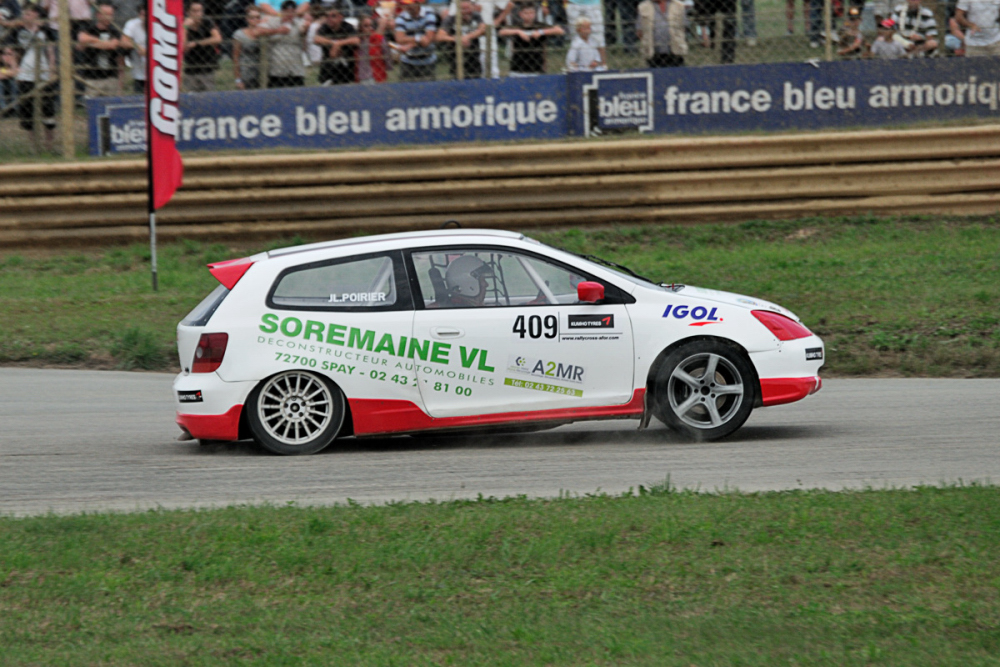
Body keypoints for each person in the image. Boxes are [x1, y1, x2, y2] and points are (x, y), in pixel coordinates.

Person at [11, 5, 56, 149]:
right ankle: (33, 145)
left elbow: (50, 51)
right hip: (25, 74)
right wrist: (15, 68)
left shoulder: (45, 30)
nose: (25, 16)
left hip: (42, 73)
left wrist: (52, 69)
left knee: (47, 109)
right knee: (27, 109)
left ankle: (49, 143)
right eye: (24, 14)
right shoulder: (18, 31)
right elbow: (11, 51)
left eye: (29, 14)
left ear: (36, 15)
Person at [499, 3, 563, 76]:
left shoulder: (539, 26)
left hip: (536, 69)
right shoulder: (517, 26)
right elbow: (502, 32)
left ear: (535, 13)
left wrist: (541, 32)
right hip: (517, 69)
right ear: (520, 14)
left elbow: (560, 30)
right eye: (526, 13)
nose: (529, 15)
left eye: (531, 13)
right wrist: (518, 32)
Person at [76, 3, 124, 98]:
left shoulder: (115, 31)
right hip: (92, 78)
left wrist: (91, 43)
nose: (109, 17)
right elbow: (82, 39)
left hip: (110, 77)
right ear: (98, 15)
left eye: (111, 14)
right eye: (106, 14)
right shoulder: (90, 29)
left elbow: (113, 45)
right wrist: (103, 42)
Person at [264, 0, 308, 87]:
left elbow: (303, 29)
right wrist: (278, 30)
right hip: (277, 68)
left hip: (296, 68)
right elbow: (260, 31)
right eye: (287, 11)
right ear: (282, 11)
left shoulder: (299, 22)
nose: (289, 14)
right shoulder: (272, 22)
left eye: (292, 12)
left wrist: (305, 28)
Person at [437, 0, 486, 78]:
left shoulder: (476, 16)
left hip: (474, 59)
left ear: (472, 8)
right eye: (463, 9)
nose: (465, 12)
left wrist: (468, 37)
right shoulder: (451, 19)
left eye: (468, 8)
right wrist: (457, 39)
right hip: (455, 58)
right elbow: (439, 36)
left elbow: (483, 29)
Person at [314, 3, 358, 85]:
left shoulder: (347, 27)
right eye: (327, 16)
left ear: (341, 17)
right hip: (327, 72)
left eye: (333, 16)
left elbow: (356, 40)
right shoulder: (325, 27)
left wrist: (339, 44)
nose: (329, 18)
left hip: (346, 73)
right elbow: (316, 39)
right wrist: (333, 43)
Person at [183, 2, 223, 92]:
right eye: (194, 11)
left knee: (208, 94)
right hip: (191, 67)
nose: (198, 14)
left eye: (200, 11)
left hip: (207, 66)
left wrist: (197, 43)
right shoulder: (184, 24)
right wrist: (185, 27)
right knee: (191, 95)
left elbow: (218, 38)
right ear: (188, 12)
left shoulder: (207, 21)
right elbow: (183, 47)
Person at [394, 0, 438, 81]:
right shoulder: (401, 18)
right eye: (405, 4)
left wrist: (410, 44)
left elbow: (427, 41)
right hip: (407, 62)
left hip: (427, 61)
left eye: (410, 3)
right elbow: (399, 39)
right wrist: (419, 38)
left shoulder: (429, 14)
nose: (407, 6)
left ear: (417, 2)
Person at [636, 0, 686, 67]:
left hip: (675, 51)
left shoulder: (678, 6)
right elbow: (639, 31)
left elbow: (683, 28)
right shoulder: (643, 7)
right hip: (653, 54)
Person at [232, 6, 265, 89]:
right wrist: (238, 80)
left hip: (262, 75)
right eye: (251, 18)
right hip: (246, 75)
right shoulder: (239, 34)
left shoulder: (264, 34)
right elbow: (236, 57)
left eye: (258, 17)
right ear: (247, 19)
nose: (255, 20)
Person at [356, 12, 389, 83]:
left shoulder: (379, 38)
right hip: (362, 76)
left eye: (371, 25)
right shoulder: (357, 41)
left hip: (377, 75)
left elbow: (387, 54)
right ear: (360, 28)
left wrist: (388, 67)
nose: (370, 28)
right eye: (366, 26)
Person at [121, 4, 147, 94]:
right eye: (142, 10)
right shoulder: (133, 24)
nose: (143, 12)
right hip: (139, 73)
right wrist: (137, 46)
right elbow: (124, 41)